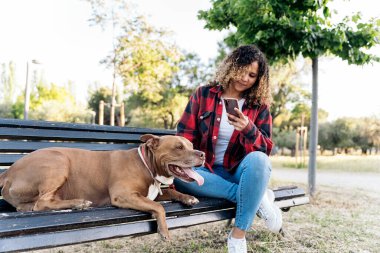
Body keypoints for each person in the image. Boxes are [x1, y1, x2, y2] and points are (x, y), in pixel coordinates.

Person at [175, 45, 282, 253]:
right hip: (204, 171)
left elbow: (265, 150)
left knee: (259, 160)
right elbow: (184, 134)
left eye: (252, 75)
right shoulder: (203, 94)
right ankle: (257, 197)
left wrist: (249, 129)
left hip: (237, 172)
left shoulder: (259, 106)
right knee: (179, 176)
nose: (245, 78)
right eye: (242, 70)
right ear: (232, 66)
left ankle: (237, 237)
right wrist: (188, 162)